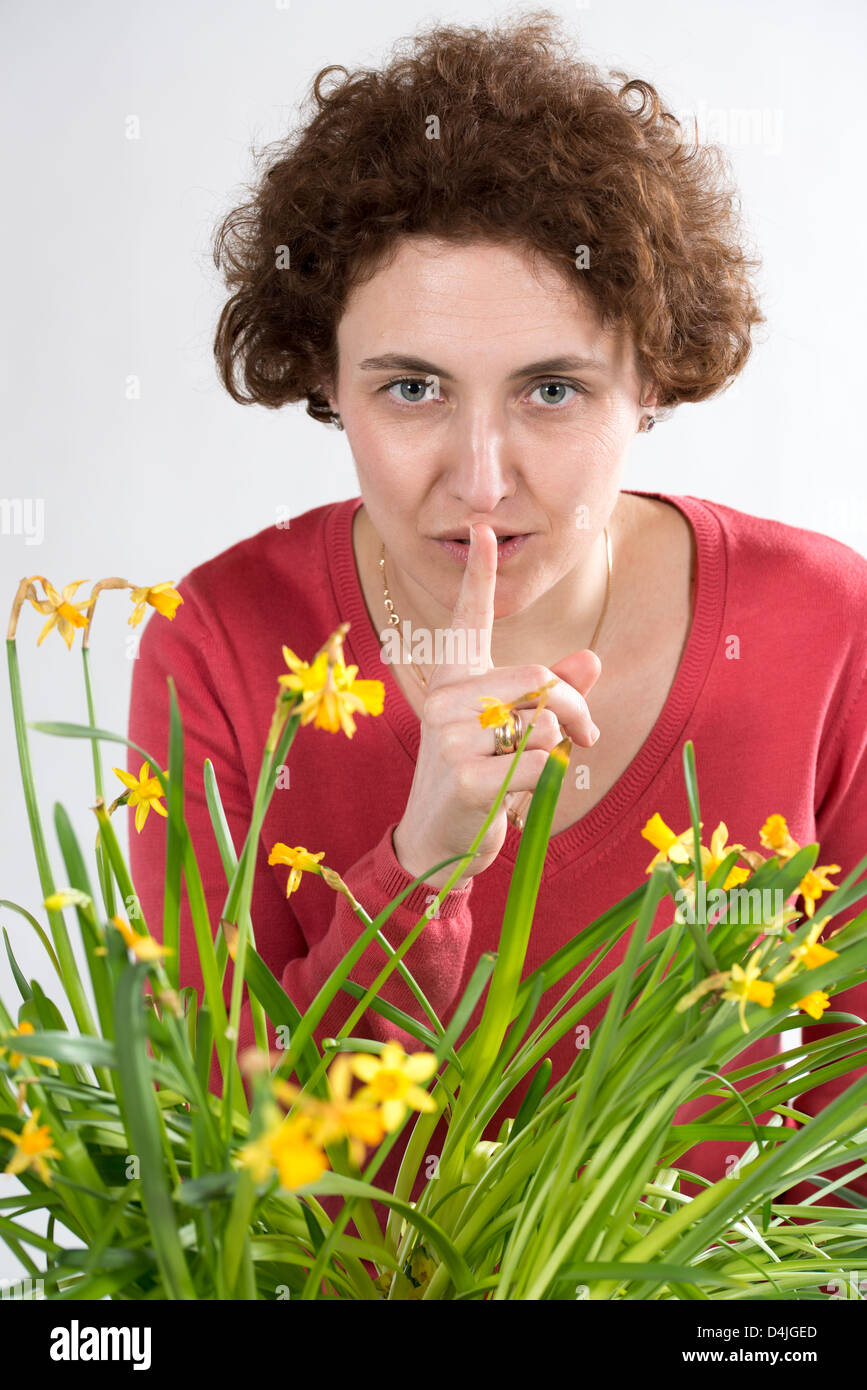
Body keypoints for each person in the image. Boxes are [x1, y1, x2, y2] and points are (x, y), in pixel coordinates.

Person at [127, 14, 867, 1235]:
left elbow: (851, 1155)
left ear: (655, 379)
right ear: (323, 377)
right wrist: (424, 861)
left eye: (553, 389)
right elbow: (215, 1179)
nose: (481, 477)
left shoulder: (824, 631)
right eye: (411, 387)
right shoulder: (216, 646)